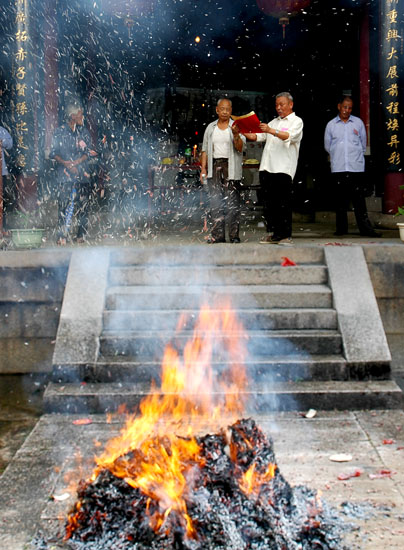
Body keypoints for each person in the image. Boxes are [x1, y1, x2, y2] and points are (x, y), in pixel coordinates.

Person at [245, 92, 303, 245]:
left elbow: (288, 136)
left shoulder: (296, 121)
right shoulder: (273, 122)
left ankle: (285, 235)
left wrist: (271, 131)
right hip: (267, 167)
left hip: (283, 168)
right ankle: (274, 234)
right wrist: (243, 131)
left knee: (283, 203)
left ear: (291, 105)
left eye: (282, 104)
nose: (278, 108)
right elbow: (258, 137)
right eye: (277, 105)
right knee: (269, 204)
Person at [324, 96, 381, 237]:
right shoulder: (331, 125)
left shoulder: (358, 123)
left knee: (359, 201)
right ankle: (341, 230)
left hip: (356, 168)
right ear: (339, 106)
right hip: (339, 168)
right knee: (340, 201)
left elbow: (362, 144)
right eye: (344, 107)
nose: (347, 110)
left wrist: (353, 156)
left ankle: (366, 230)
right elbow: (328, 146)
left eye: (349, 108)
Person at [50, 103, 96, 245]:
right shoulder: (59, 132)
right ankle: (62, 236)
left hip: (82, 174)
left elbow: (88, 153)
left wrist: (75, 163)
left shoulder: (84, 132)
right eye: (80, 114)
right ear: (72, 116)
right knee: (63, 205)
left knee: (83, 205)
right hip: (64, 174)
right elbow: (53, 153)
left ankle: (81, 235)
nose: (83, 117)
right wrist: (66, 164)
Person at [200, 98, 245, 243]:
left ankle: (234, 236)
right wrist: (203, 169)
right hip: (214, 166)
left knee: (233, 202)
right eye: (222, 109)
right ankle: (217, 235)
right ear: (217, 110)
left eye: (228, 109)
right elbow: (205, 150)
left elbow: (240, 148)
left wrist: (236, 135)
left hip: (231, 167)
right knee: (216, 202)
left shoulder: (237, 126)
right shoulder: (210, 128)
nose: (225, 111)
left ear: (231, 111)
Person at [0, 124, 13, 231]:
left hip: (1, 172)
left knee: (1, 200)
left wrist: (1, 141)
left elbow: (10, 144)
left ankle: (2, 226)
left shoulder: (1, 130)